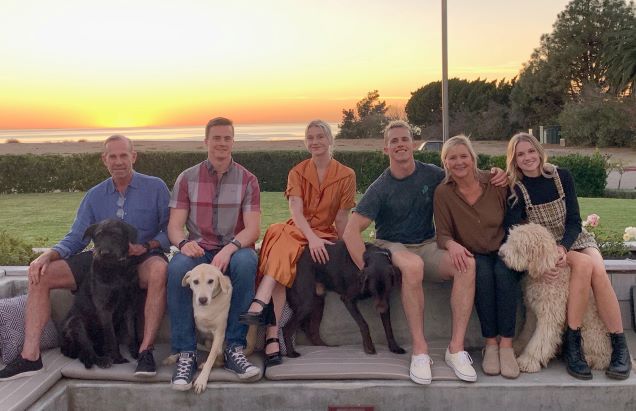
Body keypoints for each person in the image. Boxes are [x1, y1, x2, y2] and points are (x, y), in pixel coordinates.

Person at [343, 120, 509, 385]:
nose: (400, 145)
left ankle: (456, 349)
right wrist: (365, 270)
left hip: (428, 243)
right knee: (412, 267)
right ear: (386, 149)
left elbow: (463, 172)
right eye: (394, 141)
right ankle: (420, 352)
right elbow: (351, 231)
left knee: (467, 264)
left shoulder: (431, 174)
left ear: (412, 144)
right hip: (392, 246)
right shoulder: (380, 187)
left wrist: (497, 174)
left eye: (404, 139)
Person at [0, 135, 170, 381]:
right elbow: (76, 238)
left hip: (141, 258)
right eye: (112, 156)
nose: (119, 161)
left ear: (134, 156)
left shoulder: (156, 187)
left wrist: (147, 245)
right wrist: (47, 255)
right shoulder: (94, 195)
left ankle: (145, 351)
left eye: (124, 155)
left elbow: (170, 230)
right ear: (104, 160)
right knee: (41, 274)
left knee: (159, 271)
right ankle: (30, 356)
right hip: (99, 260)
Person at [505, 132, 631, 380]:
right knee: (583, 265)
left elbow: (574, 220)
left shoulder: (562, 177)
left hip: (574, 238)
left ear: (540, 152)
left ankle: (620, 346)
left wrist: (563, 247)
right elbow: (516, 230)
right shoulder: (515, 189)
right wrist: (543, 260)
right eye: (521, 154)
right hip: (547, 246)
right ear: (514, 160)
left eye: (531, 151)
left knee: (597, 269)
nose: (528, 157)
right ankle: (573, 342)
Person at [238, 120, 356, 367]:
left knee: (279, 240)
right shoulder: (298, 171)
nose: (315, 142)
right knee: (279, 232)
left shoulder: (347, 175)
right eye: (310, 137)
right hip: (299, 230)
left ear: (330, 140)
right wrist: (310, 238)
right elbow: (296, 211)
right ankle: (272, 335)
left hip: (325, 234)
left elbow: (342, 218)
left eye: (320, 136)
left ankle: (261, 302)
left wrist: (348, 250)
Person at [166, 117, 261, 390]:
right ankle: (186, 351)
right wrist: (184, 244)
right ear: (206, 141)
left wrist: (232, 247)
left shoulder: (248, 180)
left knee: (246, 262)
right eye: (216, 138)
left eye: (227, 138)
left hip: (233, 250)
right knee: (175, 268)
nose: (221, 143)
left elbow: (252, 229)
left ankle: (234, 347)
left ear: (233, 141)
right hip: (198, 251)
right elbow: (174, 226)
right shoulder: (187, 178)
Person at [433, 135, 521, 379]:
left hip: (503, 248)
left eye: (464, 156)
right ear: (446, 163)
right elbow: (442, 233)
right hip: (472, 252)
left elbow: (517, 209)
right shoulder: (443, 193)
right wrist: (452, 246)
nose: (459, 162)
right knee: (481, 274)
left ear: (473, 158)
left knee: (504, 275)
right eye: (453, 158)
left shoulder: (495, 181)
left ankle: (506, 346)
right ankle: (490, 344)